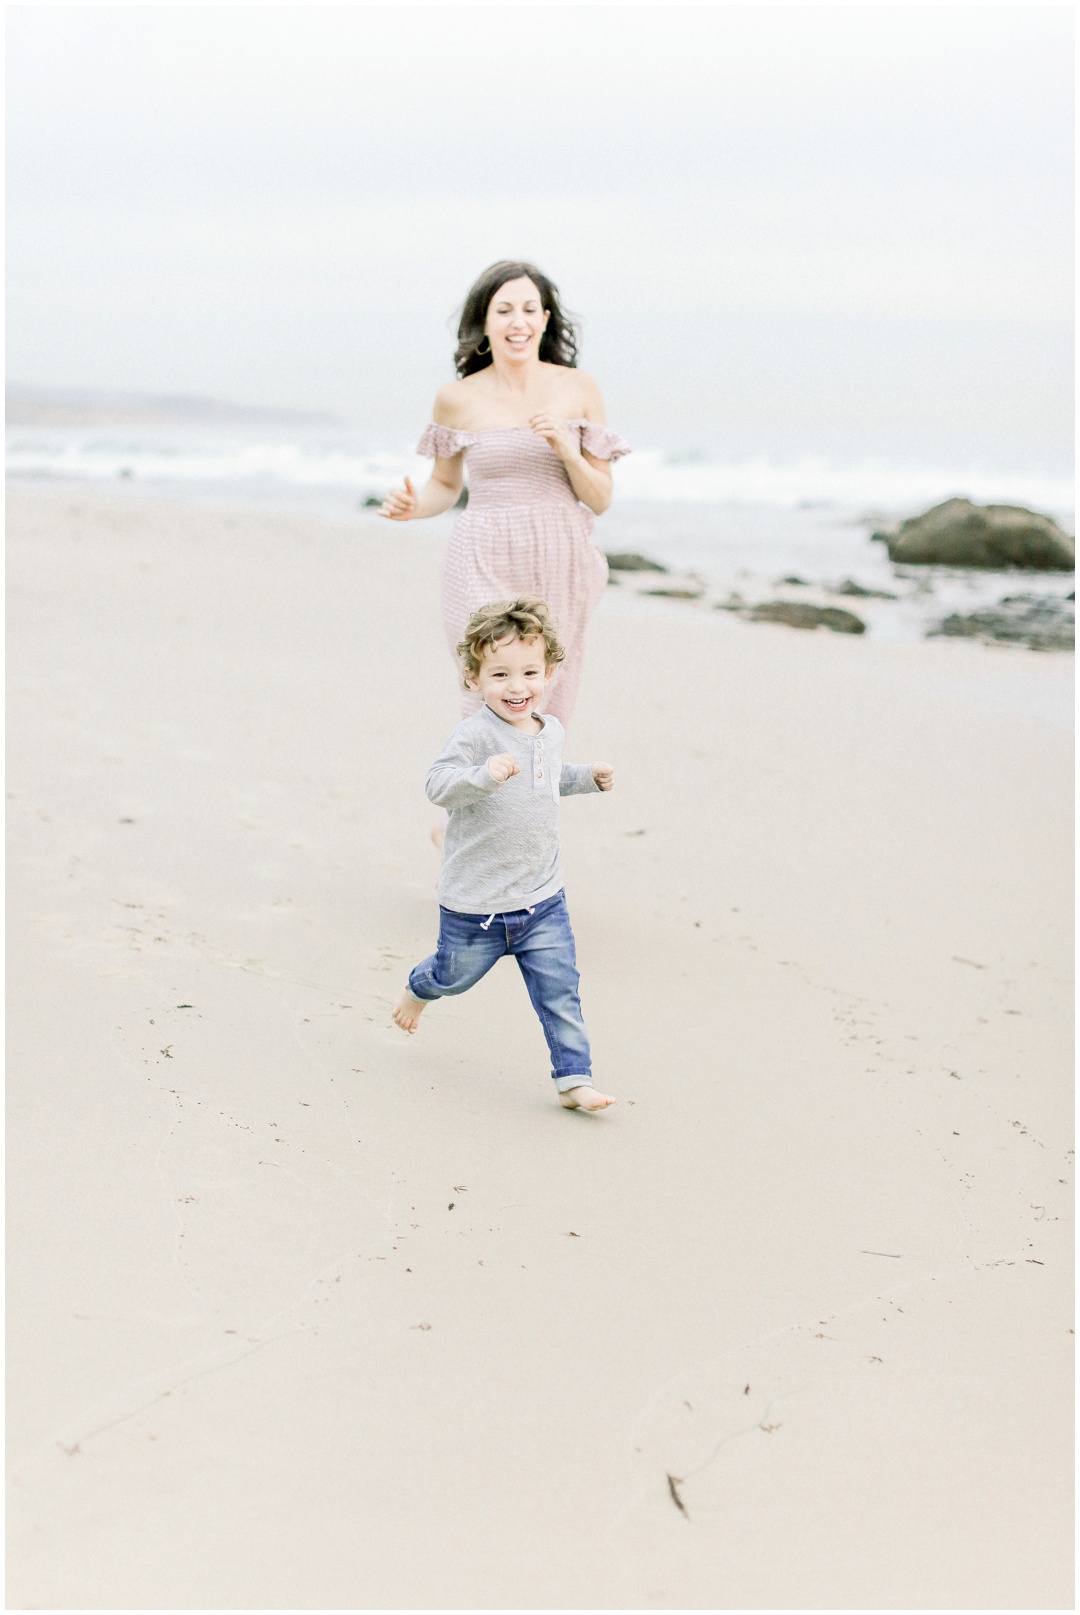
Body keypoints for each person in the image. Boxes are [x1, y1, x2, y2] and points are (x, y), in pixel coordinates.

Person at [379, 260, 629, 727]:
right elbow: (446, 485)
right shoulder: (456, 398)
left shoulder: (579, 388)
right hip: (482, 554)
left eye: (530, 309)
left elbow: (600, 499)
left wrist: (567, 452)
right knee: (485, 690)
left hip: (559, 557)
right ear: (485, 322)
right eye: (505, 310)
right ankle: (477, 794)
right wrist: (414, 507)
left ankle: (529, 801)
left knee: (542, 702)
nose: (519, 322)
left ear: (546, 320)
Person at [392, 598, 616, 1113]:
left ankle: (573, 1081)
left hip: (542, 897)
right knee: (453, 976)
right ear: (474, 679)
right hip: (477, 904)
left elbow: (549, 779)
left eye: (530, 672)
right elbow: (437, 785)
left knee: (560, 991)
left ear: (550, 672)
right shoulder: (474, 735)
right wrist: (482, 776)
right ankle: (418, 989)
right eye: (499, 674)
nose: (517, 686)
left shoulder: (550, 730)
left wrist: (587, 778)